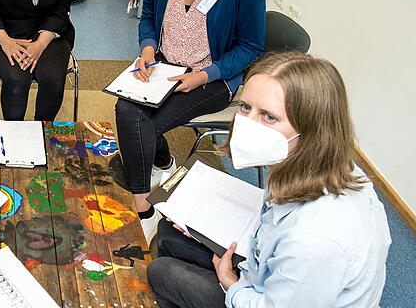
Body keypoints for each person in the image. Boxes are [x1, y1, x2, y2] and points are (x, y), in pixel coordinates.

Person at [147, 51, 392, 308]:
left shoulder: (315, 240)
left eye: (269, 116)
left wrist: (231, 284)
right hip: (267, 267)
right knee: (167, 232)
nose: (246, 124)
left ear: (311, 127)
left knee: (162, 272)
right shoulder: (316, 162)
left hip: (274, 295)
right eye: (245, 107)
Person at [114, 0, 266, 242]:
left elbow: (250, 47)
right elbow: (149, 15)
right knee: (127, 111)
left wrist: (204, 76)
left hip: (213, 79)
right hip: (164, 64)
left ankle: (144, 209)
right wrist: (148, 48)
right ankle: (160, 166)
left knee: (142, 125)